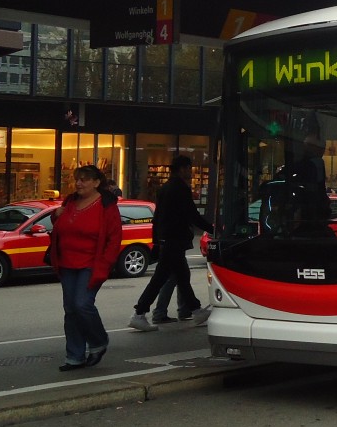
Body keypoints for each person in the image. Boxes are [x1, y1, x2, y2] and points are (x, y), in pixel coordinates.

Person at [47, 164, 121, 371]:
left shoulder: (106, 205)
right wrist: (56, 215)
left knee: (82, 304)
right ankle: (74, 356)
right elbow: (59, 225)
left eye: (85, 179)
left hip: (91, 264)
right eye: (77, 178)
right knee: (70, 309)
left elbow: (114, 238)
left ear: (97, 183)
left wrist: (105, 264)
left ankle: (98, 341)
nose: (79, 183)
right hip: (67, 263)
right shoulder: (70, 201)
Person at [129, 155, 213, 331]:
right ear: (182, 169)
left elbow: (158, 216)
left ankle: (195, 310)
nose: (190, 172)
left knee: (181, 276)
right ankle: (140, 313)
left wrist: (156, 240)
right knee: (163, 278)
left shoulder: (165, 187)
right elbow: (192, 214)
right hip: (175, 239)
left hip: (167, 239)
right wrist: (213, 229)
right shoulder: (181, 188)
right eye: (189, 168)